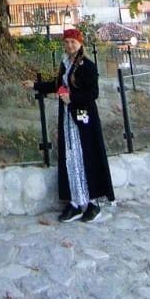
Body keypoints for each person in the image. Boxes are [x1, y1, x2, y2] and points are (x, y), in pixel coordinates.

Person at [46, 26, 114, 223]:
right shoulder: (65, 63)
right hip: (68, 117)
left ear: (80, 43)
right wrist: (35, 85)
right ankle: (75, 201)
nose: (69, 45)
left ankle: (93, 202)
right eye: (66, 42)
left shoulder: (87, 65)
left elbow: (93, 94)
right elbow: (58, 85)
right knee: (71, 156)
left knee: (87, 154)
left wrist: (72, 98)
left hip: (83, 115)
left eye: (72, 42)